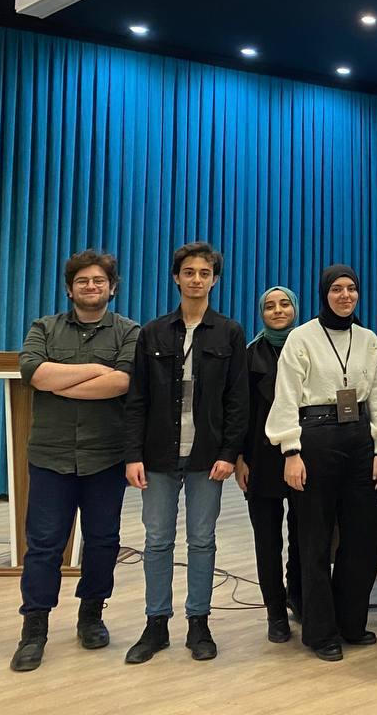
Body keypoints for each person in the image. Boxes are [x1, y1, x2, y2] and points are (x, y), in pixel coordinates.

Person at [11, 250, 140, 672]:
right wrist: (97, 372)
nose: (91, 286)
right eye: (82, 281)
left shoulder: (129, 331)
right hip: (51, 456)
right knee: (44, 545)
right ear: (70, 289)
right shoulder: (43, 327)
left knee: (103, 541)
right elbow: (34, 373)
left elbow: (121, 383)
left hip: (106, 456)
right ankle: (34, 628)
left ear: (112, 287)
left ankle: (91, 616)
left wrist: (59, 382)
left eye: (99, 280)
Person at [123, 242, 248, 664]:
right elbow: (137, 399)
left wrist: (229, 452)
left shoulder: (230, 332)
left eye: (204, 273)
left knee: (202, 540)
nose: (197, 279)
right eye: (189, 272)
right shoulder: (153, 332)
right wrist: (132, 454)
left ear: (215, 280)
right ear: (176, 277)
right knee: (157, 540)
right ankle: (156, 623)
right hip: (157, 455)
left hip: (207, 456)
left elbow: (238, 400)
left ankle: (199, 623)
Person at [267, 265, 377, 661]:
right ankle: (320, 632)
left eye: (351, 288)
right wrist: (291, 451)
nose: (345, 295)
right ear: (324, 294)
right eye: (337, 289)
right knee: (315, 540)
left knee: (362, 538)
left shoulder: (368, 339)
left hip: (359, 439)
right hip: (315, 438)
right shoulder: (301, 338)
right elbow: (286, 396)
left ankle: (351, 623)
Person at [236, 286, 304, 644]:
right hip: (260, 459)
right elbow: (238, 412)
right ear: (261, 313)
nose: (278, 311)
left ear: (296, 308)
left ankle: (298, 597)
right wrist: (239, 458)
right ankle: (275, 612)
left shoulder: (310, 347)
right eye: (270, 306)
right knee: (267, 540)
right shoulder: (248, 355)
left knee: (303, 535)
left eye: (284, 304)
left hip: (304, 457)